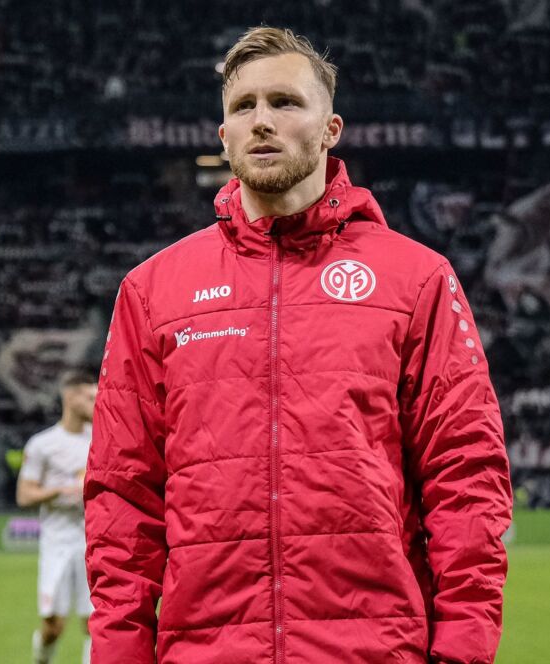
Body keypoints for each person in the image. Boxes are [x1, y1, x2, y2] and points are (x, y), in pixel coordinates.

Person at [85, 26, 512, 664]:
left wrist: (464, 649)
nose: (262, 120)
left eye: (285, 102)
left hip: (373, 650)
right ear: (223, 134)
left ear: (331, 128)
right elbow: (123, 495)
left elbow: (466, 474)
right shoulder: (152, 291)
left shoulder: (417, 279)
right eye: (244, 106)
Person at [17, 370, 97, 664]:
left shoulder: (100, 438)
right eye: (89, 397)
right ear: (71, 397)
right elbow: (25, 495)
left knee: (95, 623)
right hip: (57, 542)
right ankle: (41, 658)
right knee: (54, 625)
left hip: (92, 540)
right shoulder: (42, 444)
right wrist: (61, 491)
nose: (96, 403)